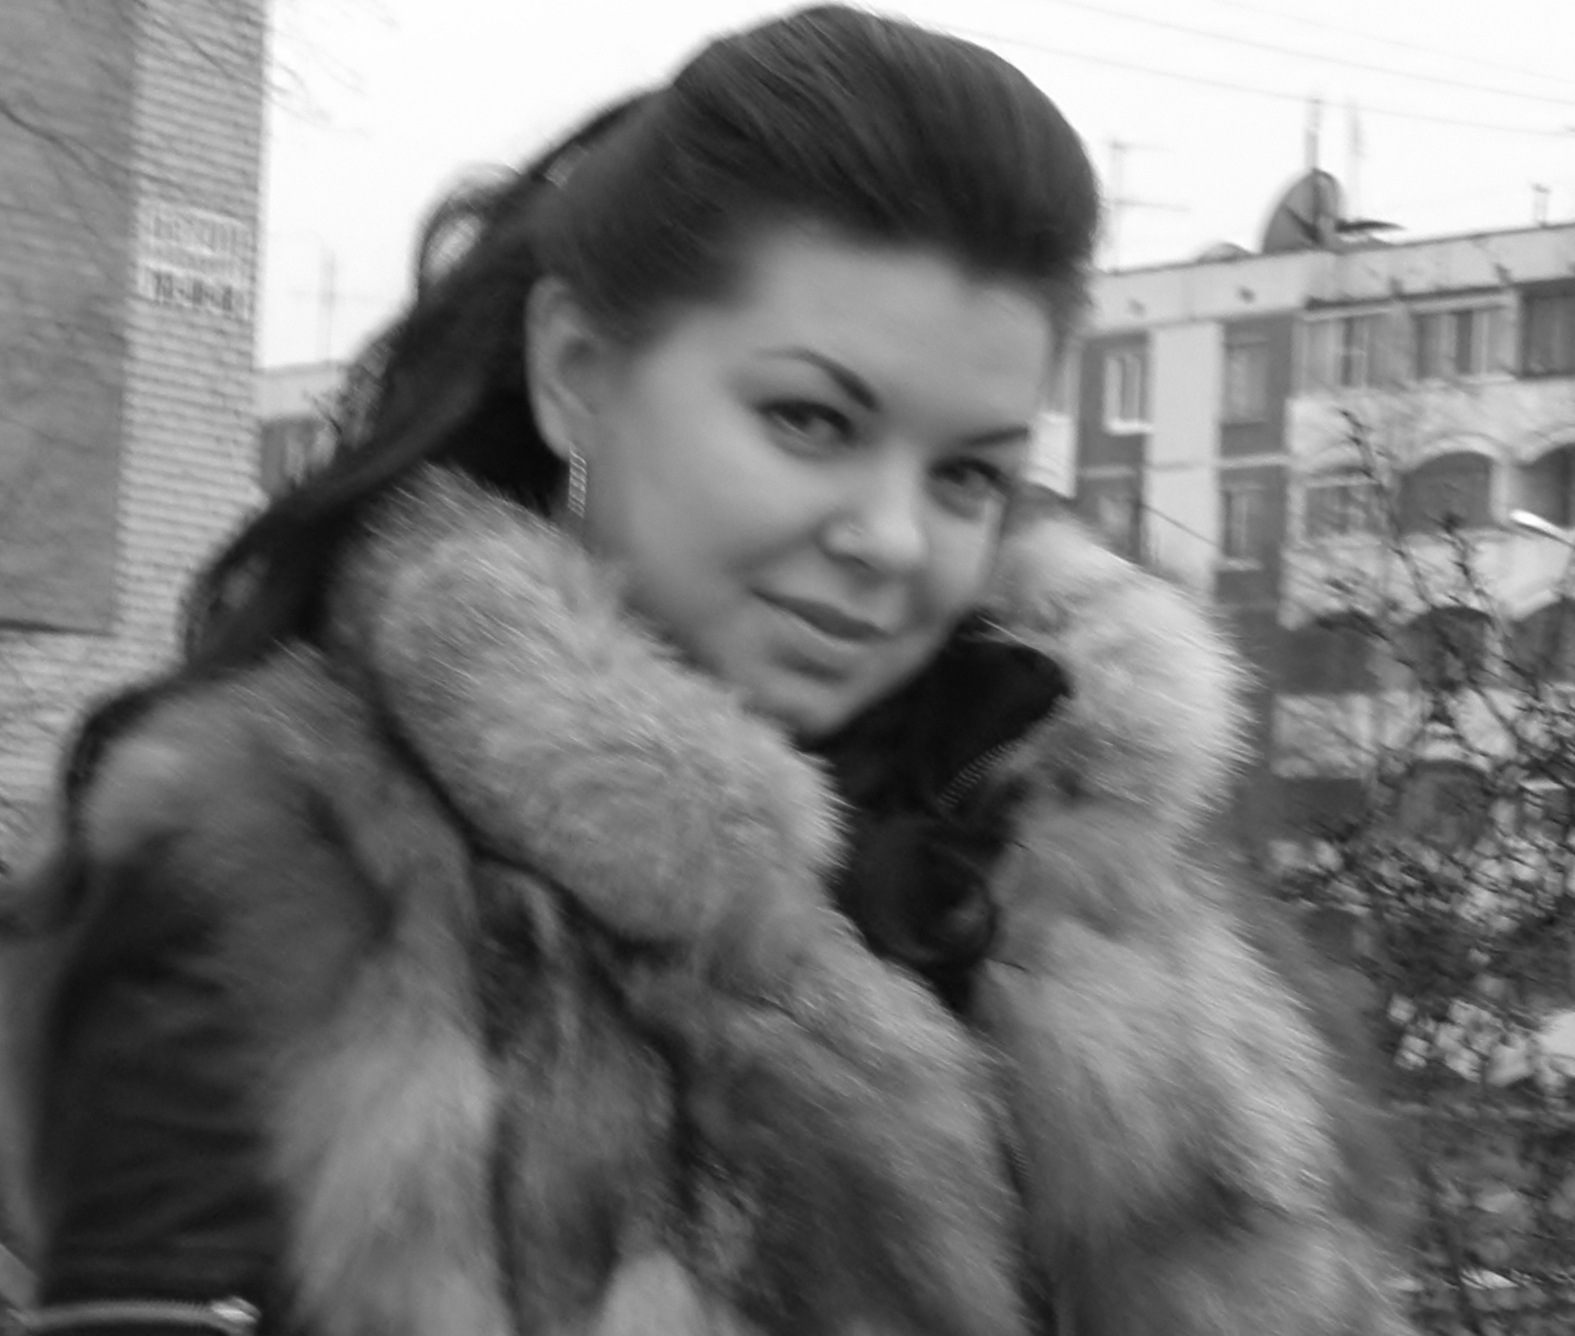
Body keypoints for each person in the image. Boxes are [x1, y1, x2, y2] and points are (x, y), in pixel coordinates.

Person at [0, 7, 1415, 1334]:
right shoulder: (276, 858)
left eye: (969, 474)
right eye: (809, 420)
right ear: (576, 372)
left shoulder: (1109, 894)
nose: (890, 538)